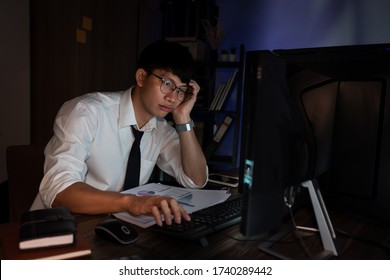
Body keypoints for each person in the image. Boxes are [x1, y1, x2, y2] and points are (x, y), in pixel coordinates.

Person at [31, 40, 208, 226]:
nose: (173, 98)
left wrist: (183, 117)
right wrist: (130, 203)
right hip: (57, 228)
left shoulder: (160, 128)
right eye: (167, 84)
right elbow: (59, 190)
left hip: (113, 227)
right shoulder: (86, 112)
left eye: (181, 90)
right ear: (141, 77)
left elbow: (196, 180)